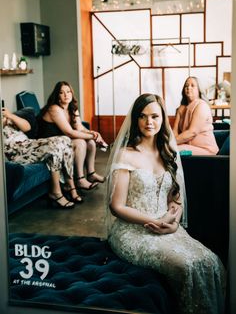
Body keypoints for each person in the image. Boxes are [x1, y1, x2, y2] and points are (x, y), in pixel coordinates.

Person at [106, 93, 225, 314]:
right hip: (132, 231)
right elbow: (117, 206)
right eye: (142, 116)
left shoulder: (169, 152)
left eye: (154, 116)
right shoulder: (126, 155)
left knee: (211, 262)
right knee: (185, 266)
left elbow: (175, 200)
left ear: (163, 119)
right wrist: (155, 220)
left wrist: (173, 221)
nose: (148, 122)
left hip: (167, 227)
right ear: (135, 120)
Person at [2, 107, 83, 208]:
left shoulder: (8, 118)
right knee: (55, 148)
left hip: (29, 144)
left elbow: (27, 127)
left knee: (65, 140)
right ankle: (56, 192)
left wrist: (10, 116)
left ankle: (69, 185)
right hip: (18, 153)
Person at [37, 81, 107, 191]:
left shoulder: (72, 107)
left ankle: (91, 173)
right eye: (62, 92)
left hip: (63, 140)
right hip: (50, 142)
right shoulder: (54, 109)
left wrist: (93, 133)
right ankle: (80, 179)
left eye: (68, 92)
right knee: (80, 143)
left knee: (91, 143)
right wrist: (91, 136)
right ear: (57, 95)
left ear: (72, 93)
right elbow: (69, 132)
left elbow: (79, 128)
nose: (66, 95)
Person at [173, 76, 219, 155]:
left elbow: (192, 133)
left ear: (199, 90)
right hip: (187, 146)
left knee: (170, 151)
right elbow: (175, 131)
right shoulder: (181, 108)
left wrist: (169, 144)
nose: (188, 87)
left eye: (192, 85)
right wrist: (170, 142)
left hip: (206, 150)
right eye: (186, 86)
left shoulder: (202, 106)